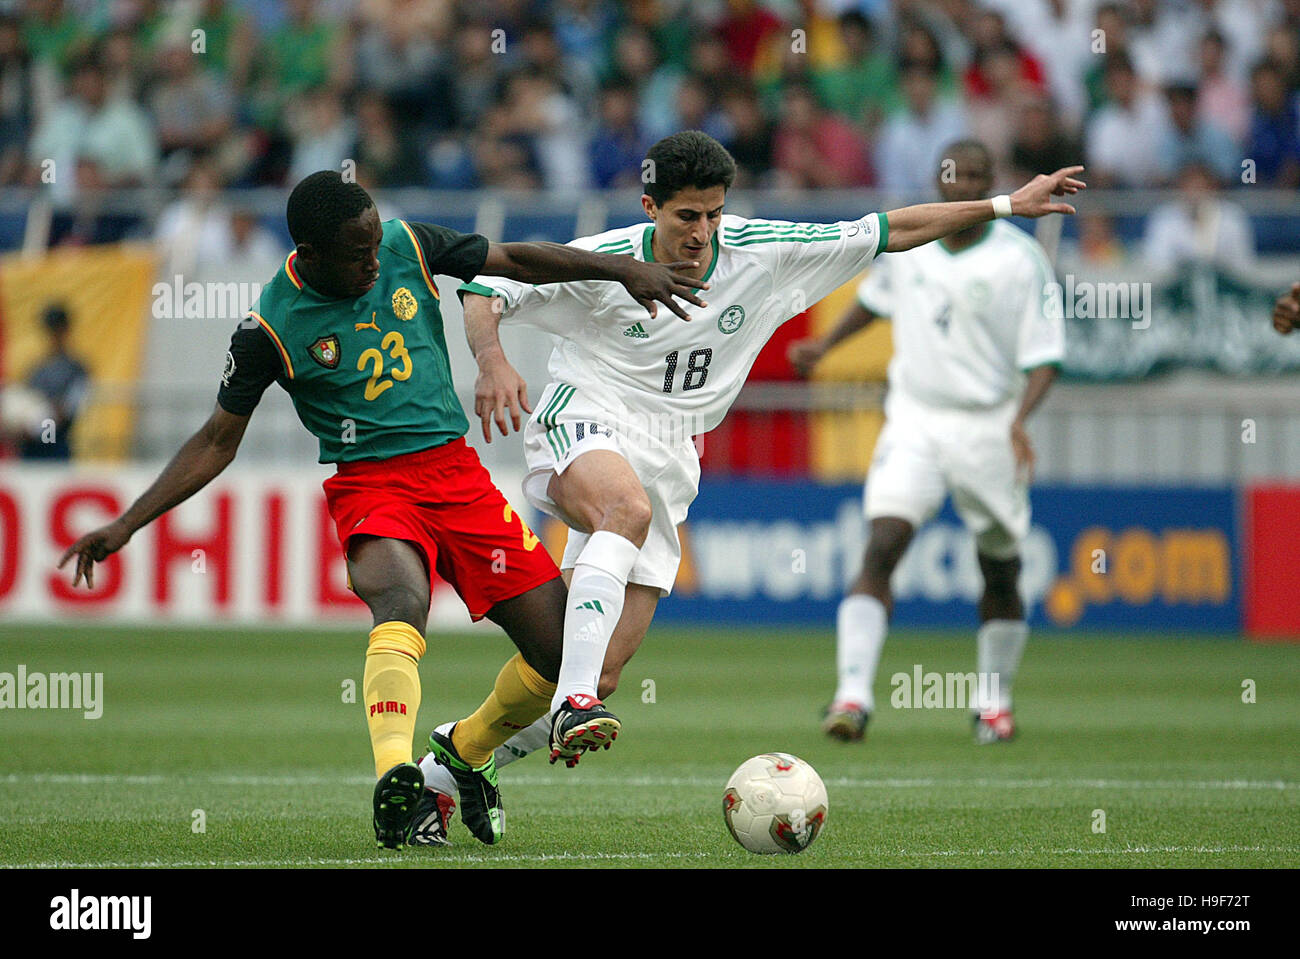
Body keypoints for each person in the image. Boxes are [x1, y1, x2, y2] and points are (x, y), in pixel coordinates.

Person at [57, 170, 707, 850]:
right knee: (400, 600)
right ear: (308, 253)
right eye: (356, 254)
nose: (374, 262)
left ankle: (460, 752)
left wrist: (622, 271)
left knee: (563, 655)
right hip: (372, 485)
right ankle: (396, 771)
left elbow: (514, 260)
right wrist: (126, 523)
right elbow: (216, 440)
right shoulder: (269, 327)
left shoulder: (407, 245)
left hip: (459, 480)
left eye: (374, 247)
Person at [436, 130, 1083, 807]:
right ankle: (572, 701)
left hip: (672, 451)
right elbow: (484, 287)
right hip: (587, 413)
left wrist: (1007, 205)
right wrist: (492, 362)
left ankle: (457, 758)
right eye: (688, 215)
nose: (703, 231)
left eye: (714, 213)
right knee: (623, 516)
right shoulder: (606, 259)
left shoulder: (762, 252)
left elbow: (892, 229)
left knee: (599, 667)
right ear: (651, 205)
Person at [787, 140, 1065, 745]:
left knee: (1000, 567)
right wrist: (826, 346)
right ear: (937, 182)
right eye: (952, 175)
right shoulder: (911, 250)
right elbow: (874, 301)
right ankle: (852, 698)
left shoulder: (1021, 261)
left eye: (974, 175)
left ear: (994, 182)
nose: (961, 184)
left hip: (988, 423)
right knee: (882, 542)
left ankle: (993, 704)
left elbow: (1045, 357)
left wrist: (1019, 420)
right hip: (913, 416)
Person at [18, 304, 89, 460]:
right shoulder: (38, 368)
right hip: (30, 448)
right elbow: (27, 402)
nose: (53, 335)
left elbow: (69, 408)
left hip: (56, 446)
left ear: (65, 330)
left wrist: (38, 428)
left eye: (57, 329)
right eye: (50, 330)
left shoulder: (77, 369)